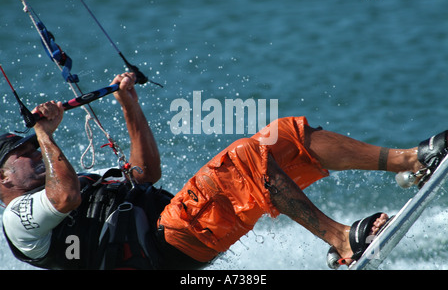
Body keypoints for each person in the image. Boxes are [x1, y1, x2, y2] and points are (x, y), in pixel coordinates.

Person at [0, 72, 446, 269]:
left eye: (30, 146)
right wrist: (44, 133)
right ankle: (340, 238)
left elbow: (144, 174)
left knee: (282, 135)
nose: (33, 154)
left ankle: (410, 160)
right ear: (2, 178)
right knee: (242, 159)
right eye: (22, 153)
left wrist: (129, 104)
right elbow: (65, 198)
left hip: (182, 226)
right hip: (162, 250)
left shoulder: (83, 180)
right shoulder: (17, 218)